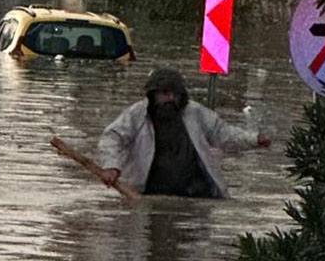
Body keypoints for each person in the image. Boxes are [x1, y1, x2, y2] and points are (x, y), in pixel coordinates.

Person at [98, 68, 270, 198]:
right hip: (149, 193)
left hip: (195, 194)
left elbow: (224, 134)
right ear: (153, 95)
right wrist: (111, 166)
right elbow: (112, 137)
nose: (171, 98)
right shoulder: (137, 114)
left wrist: (254, 139)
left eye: (175, 94)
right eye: (165, 93)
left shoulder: (196, 113)